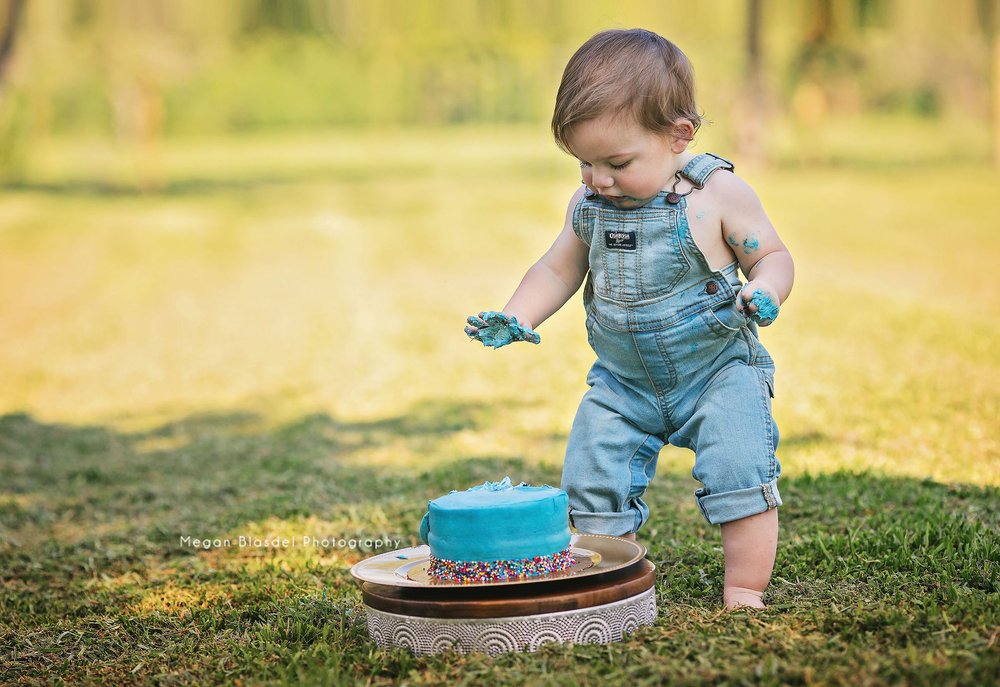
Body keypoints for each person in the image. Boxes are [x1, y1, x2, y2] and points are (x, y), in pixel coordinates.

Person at [465, 28, 794, 610]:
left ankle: (744, 589)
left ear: (678, 136)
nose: (597, 179)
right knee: (592, 475)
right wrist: (517, 313)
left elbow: (770, 255)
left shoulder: (717, 196)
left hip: (718, 372)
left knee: (738, 467)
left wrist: (766, 289)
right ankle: (603, 585)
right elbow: (556, 270)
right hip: (622, 382)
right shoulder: (588, 206)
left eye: (616, 162)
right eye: (584, 162)